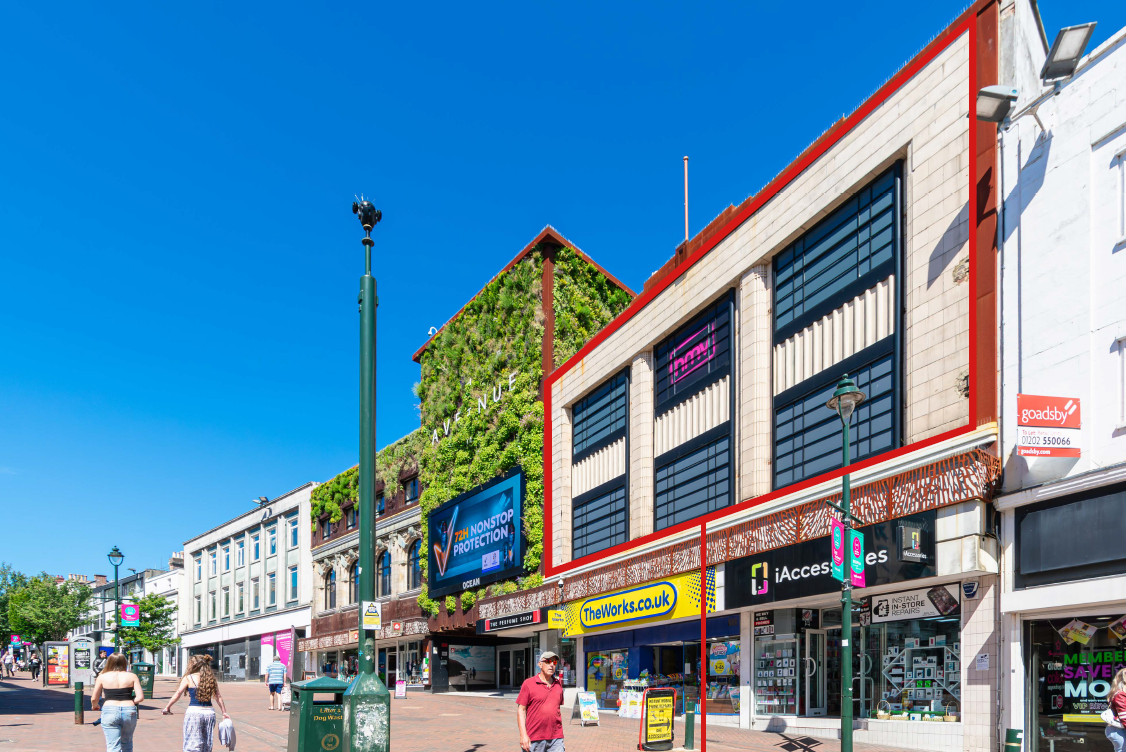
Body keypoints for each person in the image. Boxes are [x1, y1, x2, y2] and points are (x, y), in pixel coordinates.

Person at [162, 655, 230, 752]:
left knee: (192, 745)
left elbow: (178, 693)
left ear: (193, 665)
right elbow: (218, 697)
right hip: (209, 713)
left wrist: (167, 707)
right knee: (206, 745)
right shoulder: (211, 678)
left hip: (194, 713)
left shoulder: (189, 678)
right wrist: (224, 712)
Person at [91, 654, 144, 752]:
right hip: (129, 709)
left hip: (110, 709)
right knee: (127, 743)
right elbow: (140, 697)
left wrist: (95, 706)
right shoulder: (132, 676)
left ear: (109, 663)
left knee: (113, 745)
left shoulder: (102, 677)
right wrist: (131, 701)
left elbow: (94, 697)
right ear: (125, 663)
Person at [516, 651, 564, 752]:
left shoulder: (558, 685)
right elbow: (521, 710)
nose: (551, 665)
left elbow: (556, 710)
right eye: (548, 661)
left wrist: (560, 740)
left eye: (554, 662)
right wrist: (523, 735)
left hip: (556, 738)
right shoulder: (528, 684)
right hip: (534, 739)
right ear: (540, 664)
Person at [1107, 668, 1126, 752]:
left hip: (1118, 729)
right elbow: (1124, 717)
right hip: (1119, 730)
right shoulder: (1120, 695)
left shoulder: (1119, 693)